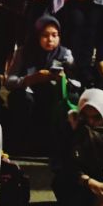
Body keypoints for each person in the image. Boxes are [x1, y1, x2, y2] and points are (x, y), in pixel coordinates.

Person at [4, 14, 76, 153]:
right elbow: (9, 81)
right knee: (19, 98)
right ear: (36, 36)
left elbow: (75, 81)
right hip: (29, 95)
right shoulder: (24, 52)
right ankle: (21, 145)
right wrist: (31, 79)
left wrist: (63, 78)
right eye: (45, 35)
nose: (50, 40)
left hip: (52, 96)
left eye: (55, 35)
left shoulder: (65, 54)